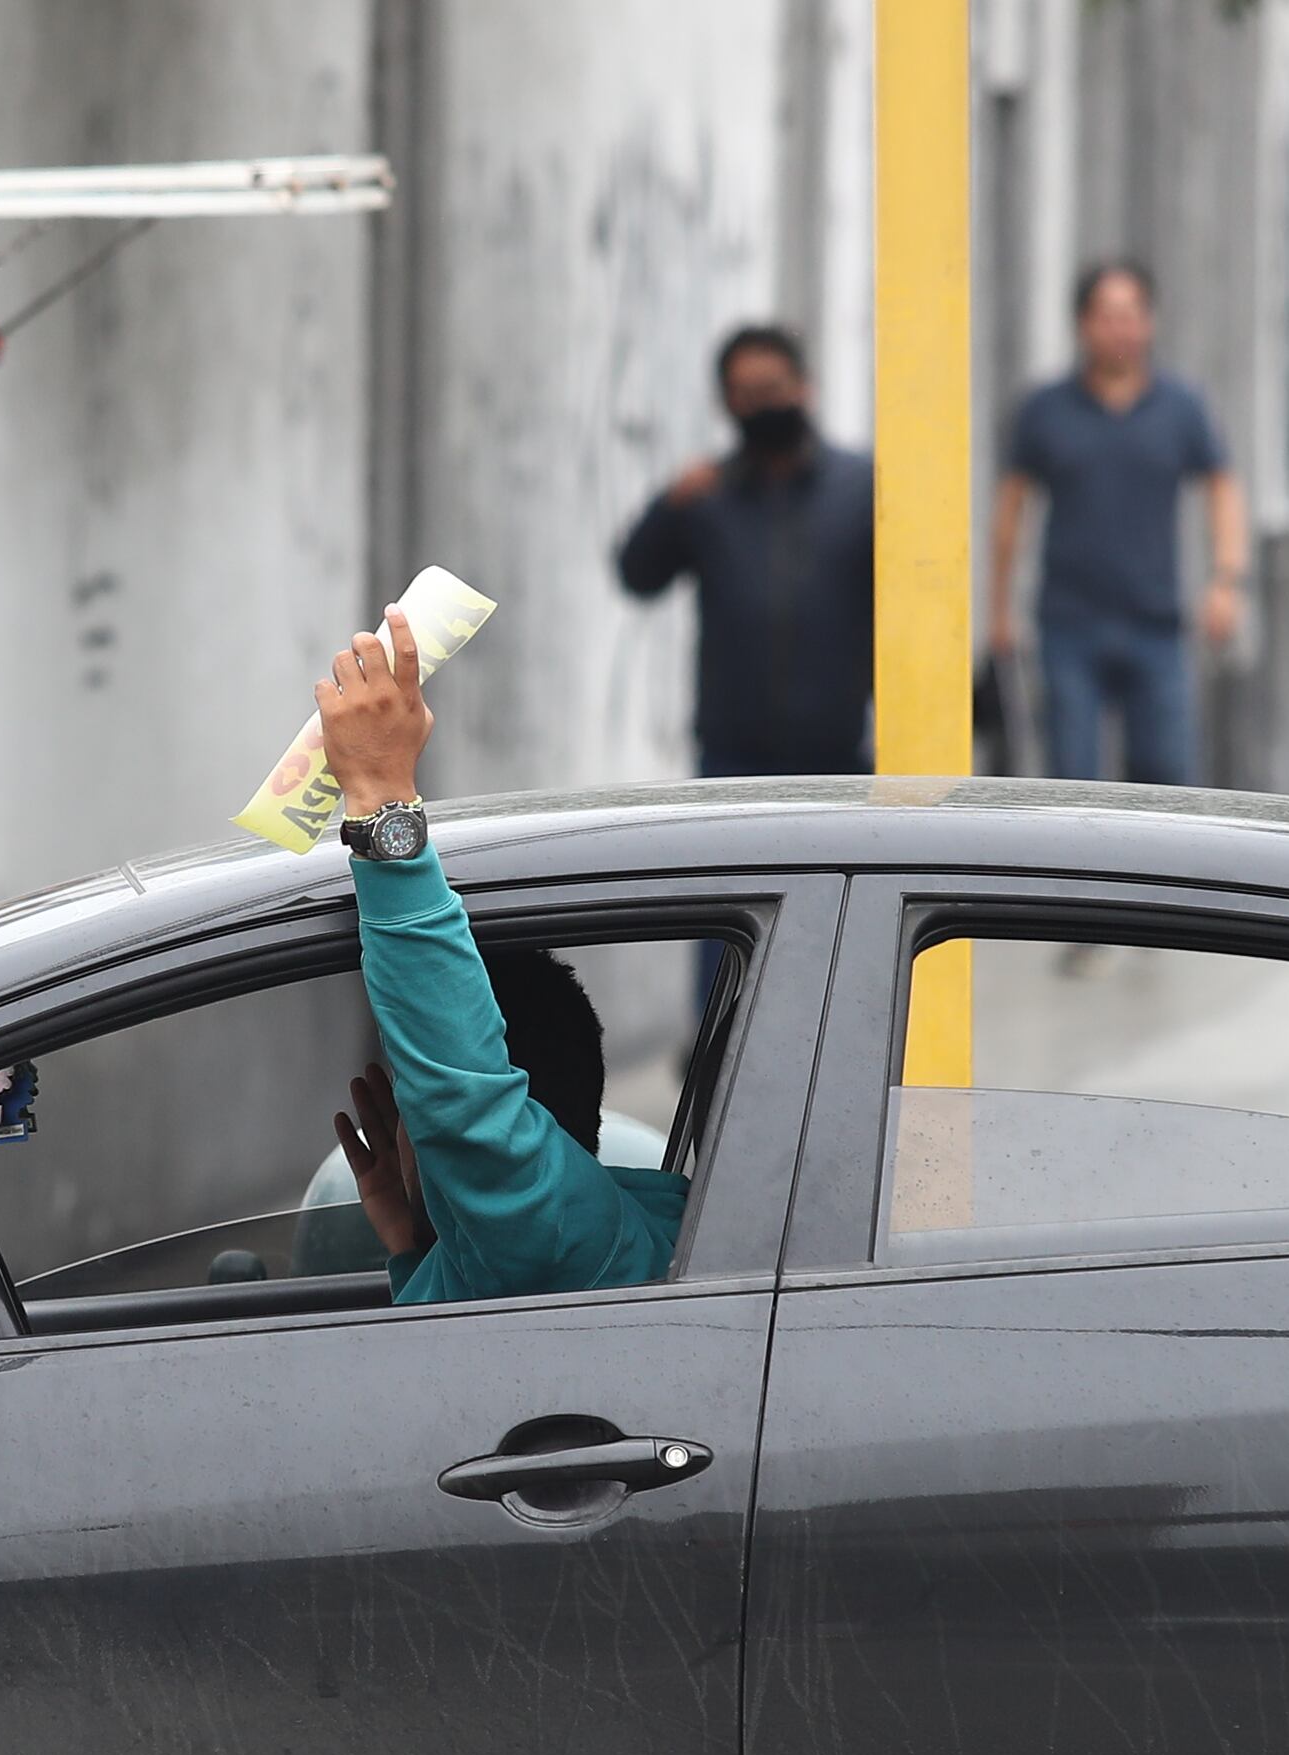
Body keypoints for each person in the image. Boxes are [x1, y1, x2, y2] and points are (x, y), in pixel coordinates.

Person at [313, 611, 689, 1305]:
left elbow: (465, 1099)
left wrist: (381, 800)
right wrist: (413, 1242)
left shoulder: (548, 1234)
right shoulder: (551, 1255)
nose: (411, 1115)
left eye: (416, 1108)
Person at [989, 260, 1248, 786]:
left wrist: (1226, 581)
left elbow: (1222, 489)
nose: (1121, 330)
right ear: (1082, 324)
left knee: (1167, 782)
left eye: (1132, 315)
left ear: (1150, 323)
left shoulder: (1182, 407)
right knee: (1071, 782)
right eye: (1107, 316)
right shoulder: (1044, 410)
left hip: (1157, 623)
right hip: (1068, 627)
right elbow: (1011, 510)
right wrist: (999, 609)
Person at [614, 322, 874, 777]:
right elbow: (637, 576)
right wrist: (668, 506)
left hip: (838, 759)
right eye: (747, 394)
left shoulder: (861, 490)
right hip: (730, 763)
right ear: (726, 403)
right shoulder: (705, 497)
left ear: (804, 388)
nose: (763, 406)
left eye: (773, 389)